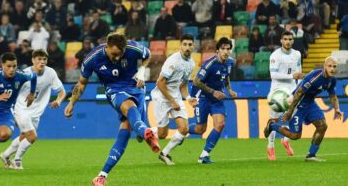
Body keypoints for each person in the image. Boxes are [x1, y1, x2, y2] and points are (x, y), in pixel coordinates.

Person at [64, 33, 160, 186]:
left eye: (120, 54)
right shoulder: (92, 58)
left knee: (127, 129)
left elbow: (148, 54)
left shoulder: (132, 48)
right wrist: (71, 103)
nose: (116, 58)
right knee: (130, 107)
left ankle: (102, 176)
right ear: (106, 47)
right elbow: (81, 83)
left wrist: (142, 69)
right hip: (114, 90)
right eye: (114, 54)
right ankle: (146, 131)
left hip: (136, 87)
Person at [264, 57, 344, 162]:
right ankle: (272, 126)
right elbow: (298, 94)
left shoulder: (332, 80)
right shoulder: (314, 77)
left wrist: (337, 108)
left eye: (334, 66)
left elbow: (332, 96)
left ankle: (311, 155)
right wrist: (289, 112)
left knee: (322, 126)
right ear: (324, 66)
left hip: (310, 103)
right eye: (329, 66)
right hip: (298, 104)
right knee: (295, 135)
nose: (332, 69)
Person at [0, 49, 66, 169]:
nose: (42, 62)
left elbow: (62, 91)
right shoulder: (23, 75)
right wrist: (12, 114)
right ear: (33, 60)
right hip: (22, 110)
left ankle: (5, 155)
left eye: (44, 59)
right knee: (32, 137)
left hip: (36, 113)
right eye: (39, 59)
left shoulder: (50, 73)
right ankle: (17, 160)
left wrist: (58, 101)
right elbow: (12, 94)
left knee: (24, 137)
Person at [188, 37, 237, 164]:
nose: (226, 51)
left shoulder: (229, 62)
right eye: (223, 49)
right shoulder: (209, 64)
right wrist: (213, 92)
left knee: (220, 124)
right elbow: (196, 81)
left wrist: (229, 90)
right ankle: (183, 130)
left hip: (216, 100)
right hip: (204, 97)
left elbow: (225, 77)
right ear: (217, 50)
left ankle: (204, 155)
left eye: (228, 49)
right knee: (200, 129)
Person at [151, 34, 198, 165]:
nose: (187, 47)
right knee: (162, 135)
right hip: (162, 96)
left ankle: (164, 154)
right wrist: (172, 100)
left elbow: (183, 84)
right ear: (180, 46)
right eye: (185, 44)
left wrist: (188, 98)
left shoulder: (191, 63)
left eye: (190, 44)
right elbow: (160, 83)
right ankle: (146, 131)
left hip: (175, 97)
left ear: (193, 46)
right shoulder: (173, 61)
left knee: (184, 129)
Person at [266, 31, 303, 161]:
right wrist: (291, 76)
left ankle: (285, 140)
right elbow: (273, 75)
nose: (288, 41)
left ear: (293, 40)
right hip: (278, 92)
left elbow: (299, 72)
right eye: (285, 39)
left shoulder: (297, 54)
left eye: (290, 39)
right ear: (281, 40)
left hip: (292, 91)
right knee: (274, 121)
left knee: (292, 118)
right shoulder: (275, 55)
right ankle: (270, 146)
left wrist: (299, 88)